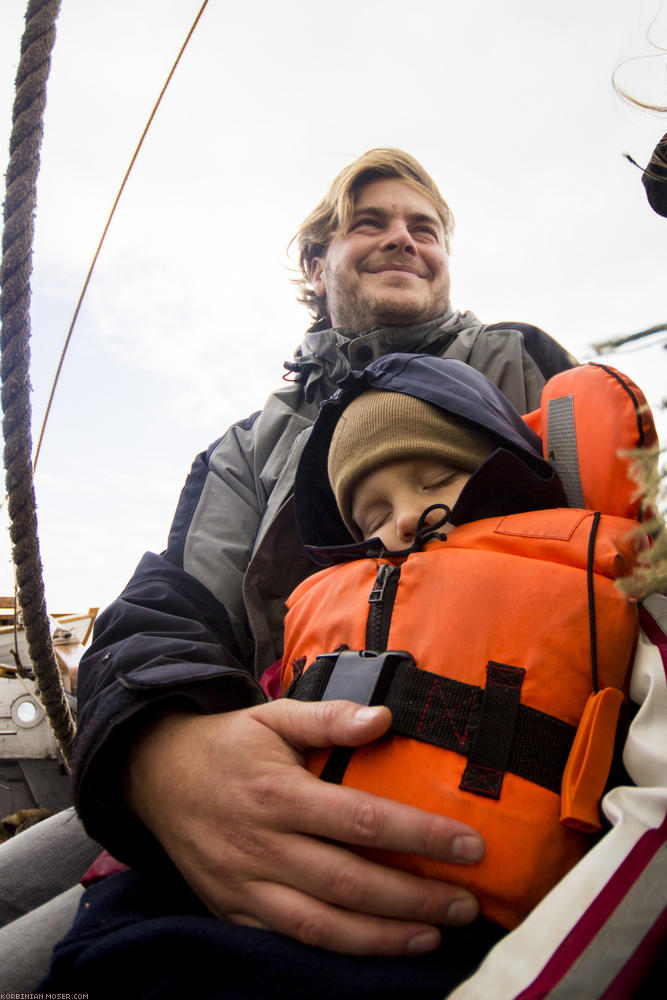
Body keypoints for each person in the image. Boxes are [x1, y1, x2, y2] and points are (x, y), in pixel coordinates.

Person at [3, 147, 664, 996]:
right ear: (317, 266)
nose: (403, 240)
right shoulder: (245, 448)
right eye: (370, 224)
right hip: (236, 742)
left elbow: (591, 577)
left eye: (424, 229)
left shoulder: (510, 362)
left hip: (443, 764)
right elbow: (175, 603)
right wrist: (159, 750)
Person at [280, 353, 644, 932]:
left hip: (503, 937)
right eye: (373, 512)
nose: (403, 519)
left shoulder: (614, 583)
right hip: (300, 902)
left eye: (436, 481)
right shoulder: (321, 607)